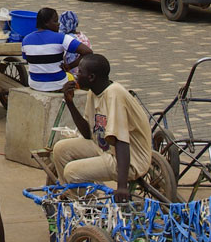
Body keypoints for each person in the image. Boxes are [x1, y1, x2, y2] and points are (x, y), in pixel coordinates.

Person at [53, 54, 152, 202]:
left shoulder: (114, 94)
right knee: (60, 149)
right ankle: (79, 197)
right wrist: (70, 103)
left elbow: (121, 141)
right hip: (105, 149)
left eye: (79, 72)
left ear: (91, 77)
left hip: (129, 159)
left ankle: (87, 209)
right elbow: (87, 133)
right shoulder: (93, 92)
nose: (76, 76)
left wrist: (122, 186)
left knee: (72, 171)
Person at [21, 7, 93, 92]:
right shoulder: (62, 38)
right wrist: (70, 66)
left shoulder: (26, 40)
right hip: (58, 85)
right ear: (46, 23)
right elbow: (88, 52)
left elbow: (27, 59)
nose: (58, 24)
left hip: (35, 84)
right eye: (55, 21)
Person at [58, 10, 91, 76]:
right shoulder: (83, 36)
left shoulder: (68, 39)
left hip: (74, 75)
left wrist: (69, 67)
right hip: (86, 72)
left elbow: (69, 60)